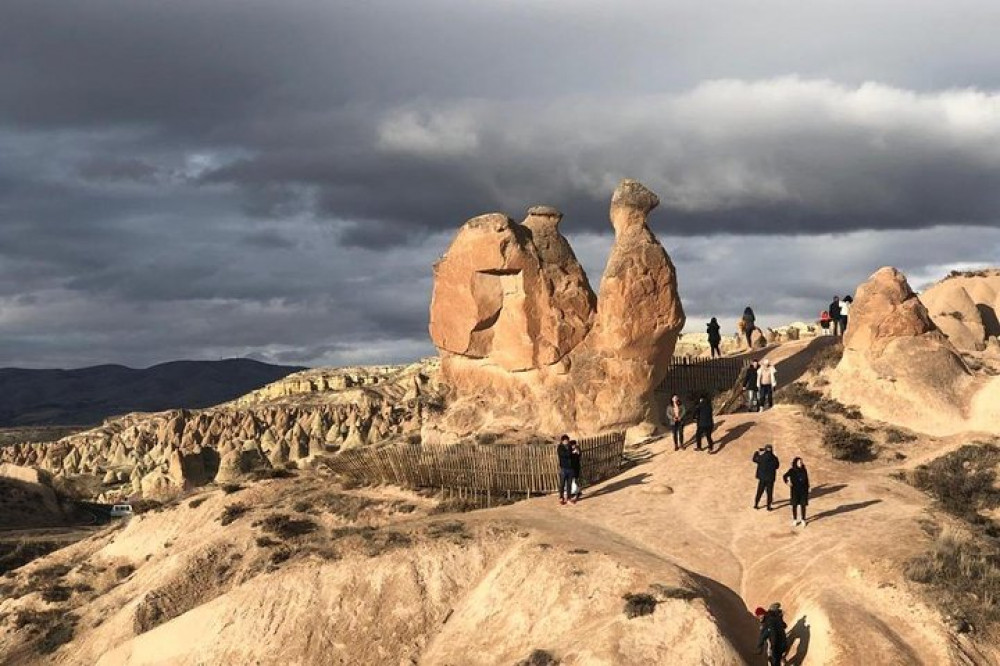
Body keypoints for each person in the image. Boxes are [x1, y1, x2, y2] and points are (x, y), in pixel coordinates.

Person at [782, 457, 810, 526]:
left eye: (801, 462)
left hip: (803, 491)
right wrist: (787, 482)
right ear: (796, 463)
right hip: (795, 491)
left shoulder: (804, 470)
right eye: (799, 462)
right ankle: (795, 520)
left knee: (803, 505)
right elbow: (785, 476)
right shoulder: (792, 470)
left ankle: (803, 519)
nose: (801, 463)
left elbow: (806, 480)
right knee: (794, 505)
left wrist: (808, 487)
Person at [752, 444, 780, 510]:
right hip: (770, 479)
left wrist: (756, 452)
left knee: (759, 492)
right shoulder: (774, 458)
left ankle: (756, 505)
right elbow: (777, 466)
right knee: (769, 493)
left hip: (762, 478)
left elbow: (754, 459)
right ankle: (768, 507)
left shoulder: (762, 457)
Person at [556, 435, 575, 505]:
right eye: (565, 440)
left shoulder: (570, 447)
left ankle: (569, 498)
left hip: (570, 468)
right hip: (563, 469)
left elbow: (572, 456)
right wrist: (571, 452)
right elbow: (564, 455)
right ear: (562, 441)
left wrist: (574, 452)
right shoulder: (560, 448)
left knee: (569, 484)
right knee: (562, 484)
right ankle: (561, 498)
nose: (567, 441)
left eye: (567, 440)